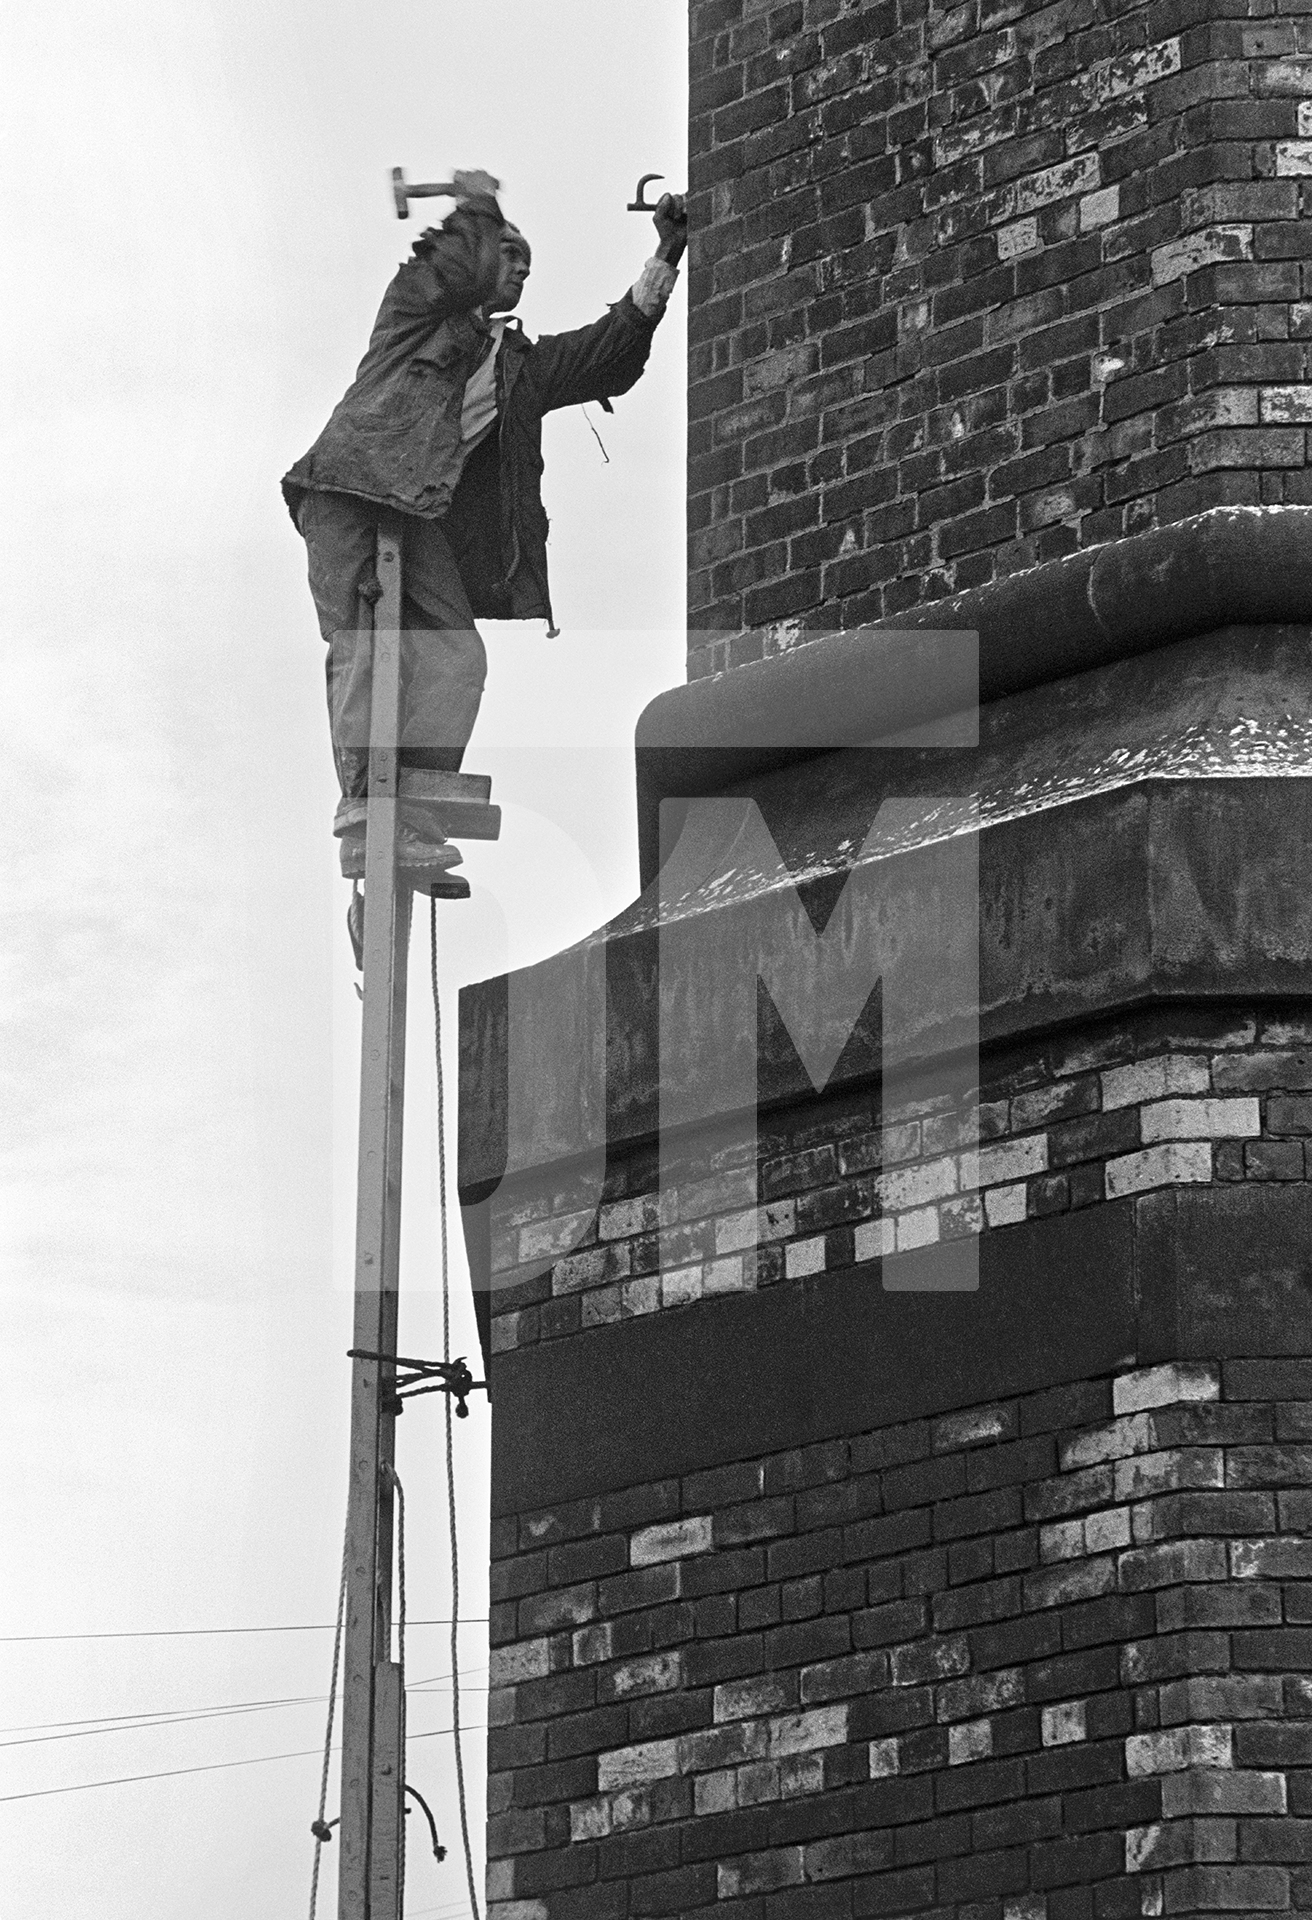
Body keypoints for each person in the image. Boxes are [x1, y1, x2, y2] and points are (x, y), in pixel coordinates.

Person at [282, 169, 687, 881]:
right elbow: (451, 265)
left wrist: (666, 258)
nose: (521, 272)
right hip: (348, 487)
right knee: (362, 644)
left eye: (528, 265)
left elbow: (610, 354)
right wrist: (479, 205)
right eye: (511, 257)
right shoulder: (417, 311)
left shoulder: (520, 367)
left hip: (416, 514)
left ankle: (413, 806)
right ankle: (365, 805)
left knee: (456, 656)